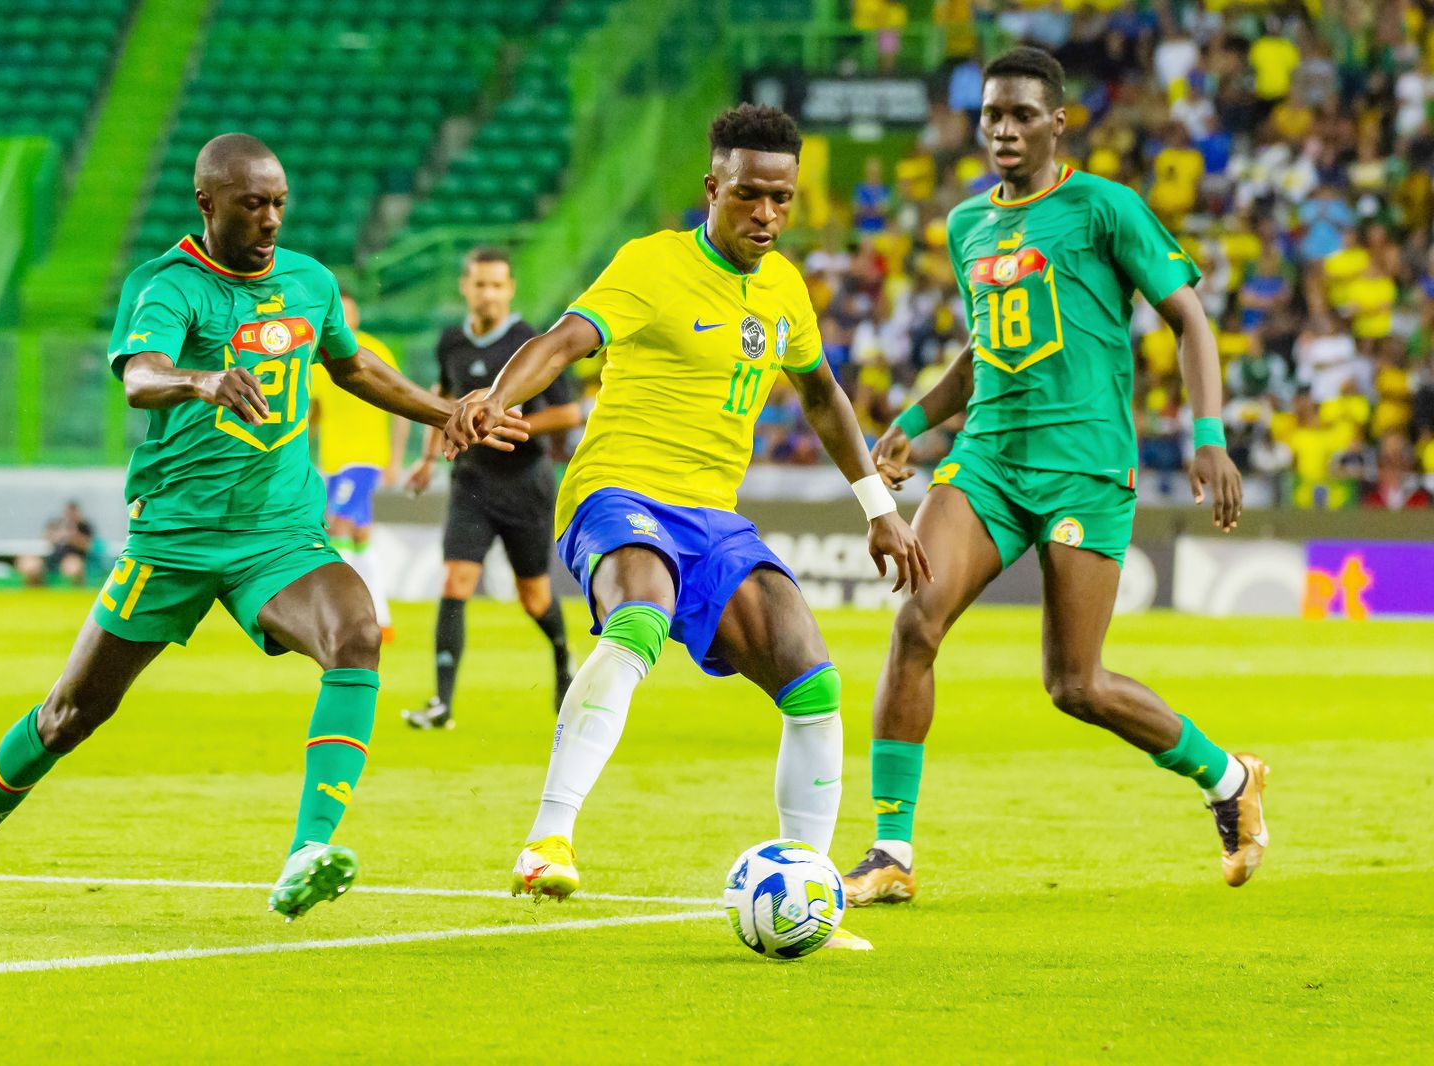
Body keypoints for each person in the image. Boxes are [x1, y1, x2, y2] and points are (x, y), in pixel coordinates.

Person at [0, 133, 526, 926]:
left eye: (278, 204)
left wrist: (452, 411)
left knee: (356, 630)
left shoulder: (309, 282)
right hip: (176, 539)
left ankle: (307, 853)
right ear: (207, 203)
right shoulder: (169, 285)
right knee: (70, 716)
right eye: (252, 204)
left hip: (277, 533)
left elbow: (354, 368)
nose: (269, 220)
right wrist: (201, 380)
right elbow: (140, 375)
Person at [446, 104, 930, 952]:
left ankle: (808, 892)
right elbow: (565, 341)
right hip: (617, 491)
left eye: (782, 200)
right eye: (749, 196)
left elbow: (821, 395)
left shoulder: (784, 289)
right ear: (713, 188)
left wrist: (880, 507)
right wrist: (496, 399)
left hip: (713, 516)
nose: (767, 216)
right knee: (640, 612)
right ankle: (547, 840)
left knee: (812, 678)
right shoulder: (652, 265)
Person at [842, 48, 1269, 908]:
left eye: (1023, 115)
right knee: (917, 622)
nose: (1004, 128)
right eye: (993, 113)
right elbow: (982, 350)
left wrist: (1210, 436)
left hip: (1085, 470)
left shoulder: (1105, 207)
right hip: (989, 460)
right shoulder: (968, 225)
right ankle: (890, 852)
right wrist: (913, 426)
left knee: (1076, 685)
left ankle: (1228, 777)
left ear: (1057, 122)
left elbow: (1190, 320)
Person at [402, 247, 582, 729]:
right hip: (471, 484)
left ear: (510, 290)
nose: (489, 294)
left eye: (497, 285)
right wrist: (424, 460)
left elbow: (569, 413)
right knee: (455, 582)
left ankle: (565, 659)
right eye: (480, 284)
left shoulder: (532, 342)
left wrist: (507, 422)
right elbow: (439, 403)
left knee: (535, 598)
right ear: (465, 286)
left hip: (526, 485)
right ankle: (441, 704)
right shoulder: (451, 342)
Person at [308, 293, 408, 639]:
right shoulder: (318, 358)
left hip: (364, 458)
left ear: (357, 315)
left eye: (347, 311)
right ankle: (381, 617)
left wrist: (395, 459)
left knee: (337, 529)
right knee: (361, 537)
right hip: (333, 461)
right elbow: (314, 412)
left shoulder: (373, 350)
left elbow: (401, 402)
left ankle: (348, 618)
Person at [15, 500, 96, 587]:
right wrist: (58, 535)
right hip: (53, 557)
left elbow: (88, 546)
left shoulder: (84, 526)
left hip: (72, 558)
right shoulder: (58, 523)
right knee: (31, 565)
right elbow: (45, 537)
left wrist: (72, 537)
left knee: (72, 567)